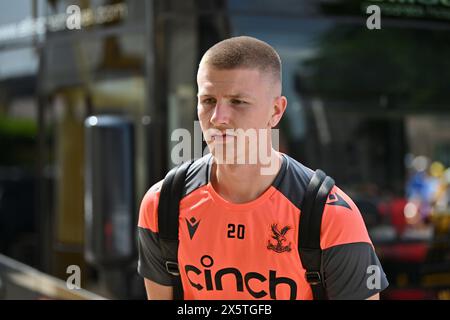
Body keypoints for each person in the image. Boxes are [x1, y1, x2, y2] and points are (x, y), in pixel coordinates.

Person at [137, 36, 388, 300]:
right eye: (208, 100)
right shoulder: (162, 203)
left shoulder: (332, 216)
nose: (217, 118)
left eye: (238, 101)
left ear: (276, 111)